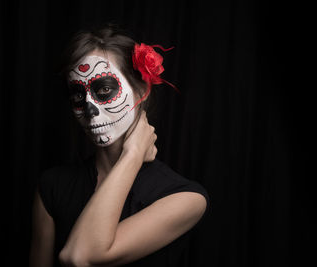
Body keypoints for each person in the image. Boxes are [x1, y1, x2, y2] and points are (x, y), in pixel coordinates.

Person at [29, 25, 209, 267]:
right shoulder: (52, 186)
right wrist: (132, 154)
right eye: (77, 97)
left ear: (142, 91)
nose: (90, 110)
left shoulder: (185, 198)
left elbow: (80, 256)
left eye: (104, 89)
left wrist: (132, 154)